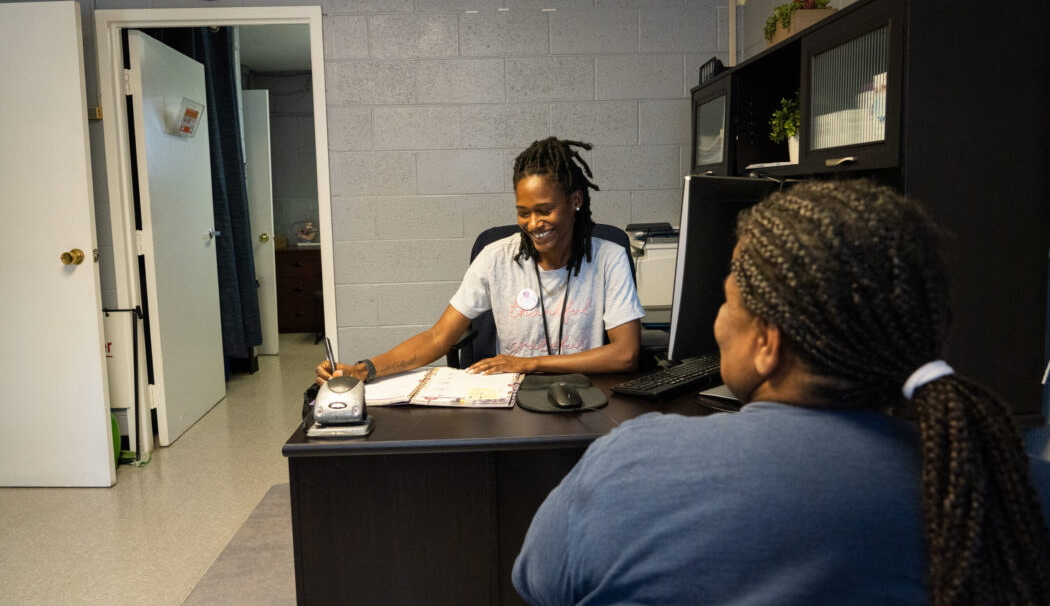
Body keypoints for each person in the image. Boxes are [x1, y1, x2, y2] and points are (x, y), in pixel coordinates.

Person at [513, 179, 1050, 606]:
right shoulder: (1005, 485)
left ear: (768, 343)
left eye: (725, 301)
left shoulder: (626, 467)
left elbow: (538, 582)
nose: (719, 321)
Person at [316, 136, 645, 386]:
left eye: (544, 210)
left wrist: (528, 363)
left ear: (575, 201)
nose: (533, 223)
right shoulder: (496, 259)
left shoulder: (608, 257)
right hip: (513, 397)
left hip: (584, 394)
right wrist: (363, 369)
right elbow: (437, 338)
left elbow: (626, 354)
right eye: (523, 212)